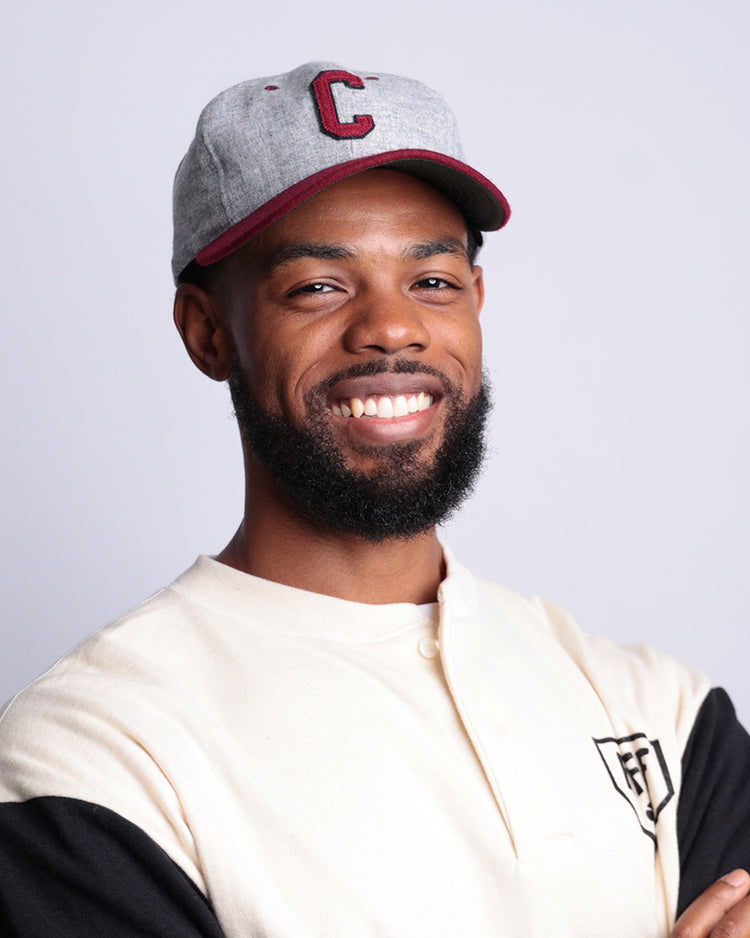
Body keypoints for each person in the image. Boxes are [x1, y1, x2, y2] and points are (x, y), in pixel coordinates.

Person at [0, 61, 748, 938]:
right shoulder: (94, 755)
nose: (393, 326)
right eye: (319, 286)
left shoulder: (664, 711)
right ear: (208, 332)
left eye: (432, 281)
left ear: (476, 300)